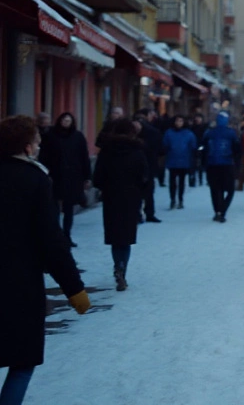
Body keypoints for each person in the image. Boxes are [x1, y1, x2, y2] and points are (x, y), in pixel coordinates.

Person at [0, 116, 91, 405]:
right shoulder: (34, 179)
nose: (40, 146)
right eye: (38, 141)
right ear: (27, 148)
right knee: (22, 362)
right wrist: (74, 289)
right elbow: (51, 241)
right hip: (18, 284)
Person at [92, 119, 149, 291]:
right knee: (127, 237)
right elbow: (144, 176)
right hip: (131, 198)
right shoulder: (137, 151)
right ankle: (123, 268)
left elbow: (98, 177)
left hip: (111, 197)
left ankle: (117, 265)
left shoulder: (106, 151)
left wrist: (105, 187)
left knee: (115, 236)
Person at [38, 113, 92, 247]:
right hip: (55, 175)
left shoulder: (78, 136)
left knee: (69, 208)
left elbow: (84, 157)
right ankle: (55, 235)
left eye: (69, 121)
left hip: (73, 176)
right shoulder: (51, 136)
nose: (66, 123)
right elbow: (44, 156)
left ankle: (66, 235)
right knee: (54, 206)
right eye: (64, 120)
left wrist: (87, 176)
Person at [202, 112, 241, 222]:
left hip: (212, 164)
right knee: (230, 189)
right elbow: (237, 149)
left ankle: (217, 211)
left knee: (215, 189)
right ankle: (223, 210)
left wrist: (204, 162)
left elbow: (203, 147)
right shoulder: (231, 133)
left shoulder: (209, 132)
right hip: (227, 164)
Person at [161, 115, 198, 210]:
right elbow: (165, 145)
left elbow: (193, 146)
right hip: (172, 160)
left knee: (181, 182)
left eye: (181, 121)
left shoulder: (189, 133)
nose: (179, 123)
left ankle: (180, 199)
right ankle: (173, 199)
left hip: (184, 160)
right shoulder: (169, 133)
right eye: (177, 121)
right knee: (172, 182)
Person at [134, 109, 163, 223]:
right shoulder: (153, 131)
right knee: (147, 191)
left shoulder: (152, 131)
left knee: (143, 191)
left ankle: (140, 214)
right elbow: (160, 149)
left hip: (144, 164)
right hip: (148, 164)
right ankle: (147, 213)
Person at [188, 112, 208, 188]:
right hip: (193, 147)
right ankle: (192, 179)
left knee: (199, 164)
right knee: (193, 164)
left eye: (199, 118)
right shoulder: (192, 128)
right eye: (197, 118)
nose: (198, 120)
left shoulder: (204, 128)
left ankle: (200, 179)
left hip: (201, 147)